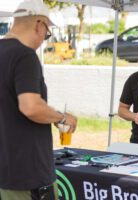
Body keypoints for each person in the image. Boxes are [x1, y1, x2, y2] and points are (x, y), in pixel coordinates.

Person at [0, 0, 77, 199]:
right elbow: (31, 107)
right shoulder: (24, 55)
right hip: (27, 175)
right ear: (38, 25)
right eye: (47, 33)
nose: (44, 38)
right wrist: (61, 117)